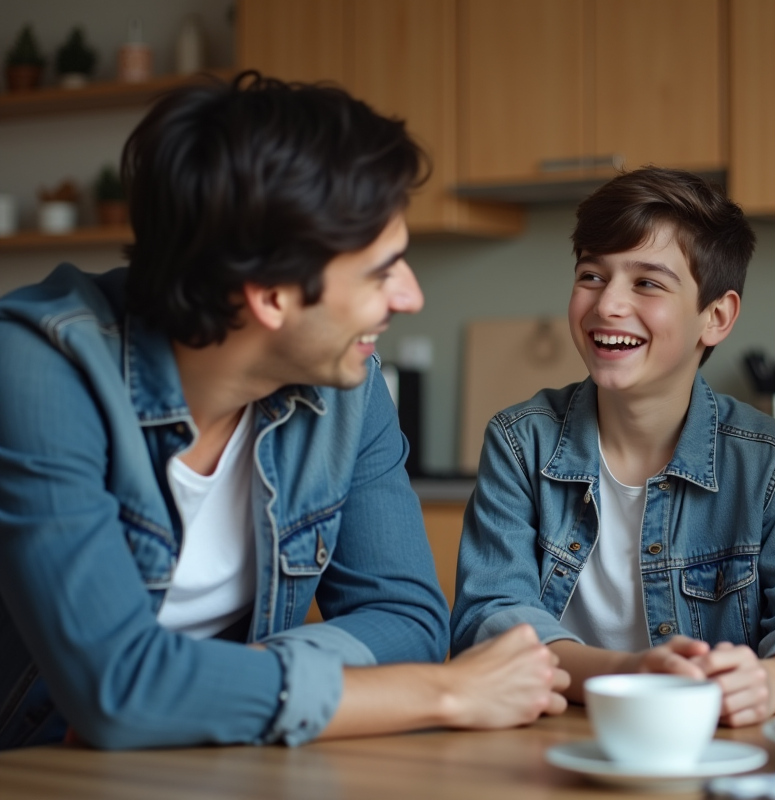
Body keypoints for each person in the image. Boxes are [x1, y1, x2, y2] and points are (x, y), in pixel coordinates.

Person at [0, 72, 567, 751]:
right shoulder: (37, 370)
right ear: (270, 295)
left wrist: (206, 689)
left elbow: (409, 618)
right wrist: (446, 692)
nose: (411, 297)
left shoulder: (347, 388)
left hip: (197, 763)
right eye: (382, 271)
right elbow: (117, 690)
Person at [450, 167, 775, 727]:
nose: (608, 304)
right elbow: (490, 618)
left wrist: (771, 684)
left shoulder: (769, 462)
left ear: (715, 317)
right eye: (591, 275)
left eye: (647, 283)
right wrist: (628, 672)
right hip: (552, 736)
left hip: (715, 747)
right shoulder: (520, 442)